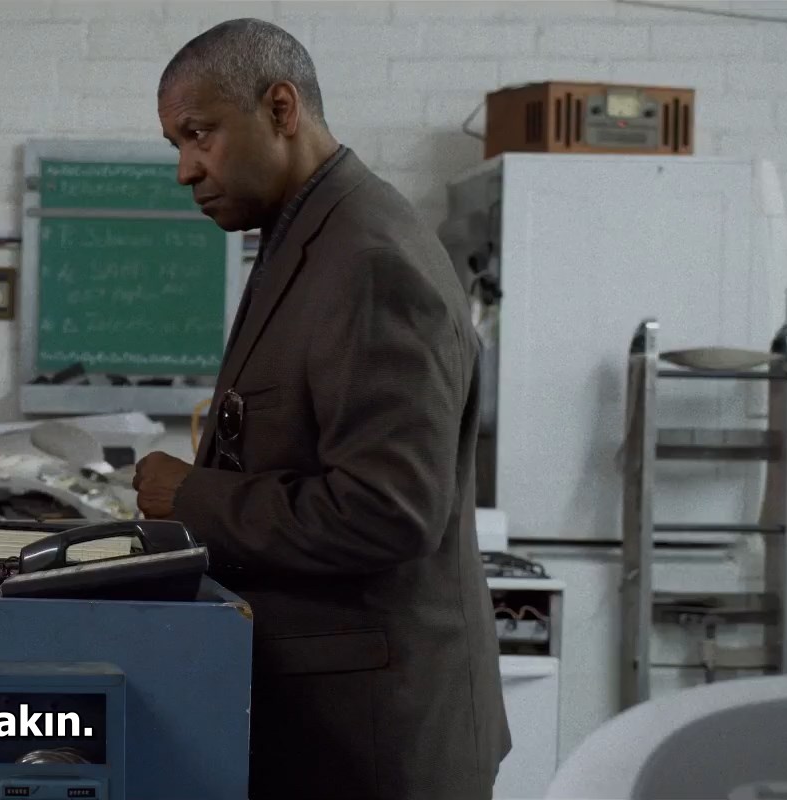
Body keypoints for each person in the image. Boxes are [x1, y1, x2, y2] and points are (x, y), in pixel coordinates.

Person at [133, 19, 509, 800]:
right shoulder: (307, 238)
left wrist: (192, 496)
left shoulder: (368, 260)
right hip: (330, 722)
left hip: (374, 739)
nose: (185, 170)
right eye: (177, 144)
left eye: (199, 135)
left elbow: (386, 511)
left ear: (280, 109)